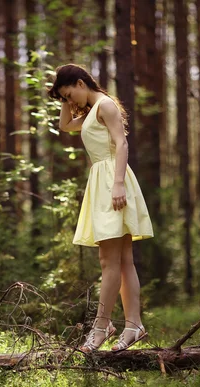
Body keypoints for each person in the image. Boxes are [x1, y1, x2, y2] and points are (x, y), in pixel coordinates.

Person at [48, 64, 154, 353]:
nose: (70, 102)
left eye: (70, 94)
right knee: (122, 261)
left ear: (82, 83)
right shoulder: (90, 113)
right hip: (103, 180)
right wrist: (62, 95)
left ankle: (101, 326)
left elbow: (122, 144)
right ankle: (134, 325)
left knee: (110, 262)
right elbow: (65, 126)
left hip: (113, 181)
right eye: (65, 99)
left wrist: (118, 183)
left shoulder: (105, 105)